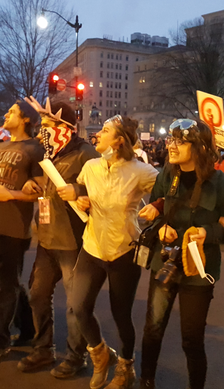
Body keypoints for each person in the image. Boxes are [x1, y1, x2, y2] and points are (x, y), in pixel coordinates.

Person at [137, 119, 224, 389]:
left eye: (180, 141)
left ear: (200, 147)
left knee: (191, 338)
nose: (171, 146)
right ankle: (146, 381)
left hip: (199, 268)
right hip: (165, 261)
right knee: (153, 328)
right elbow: (156, 211)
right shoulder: (165, 176)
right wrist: (160, 229)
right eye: (171, 140)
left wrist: (208, 231)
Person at [62, 115, 158, 389]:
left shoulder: (140, 171)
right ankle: (100, 354)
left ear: (119, 140)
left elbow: (166, 191)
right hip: (92, 246)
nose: (98, 133)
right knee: (79, 306)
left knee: (121, 314)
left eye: (105, 130)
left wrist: (158, 207)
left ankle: (125, 367)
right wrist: (78, 194)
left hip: (123, 251)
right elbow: (83, 188)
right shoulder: (91, 166)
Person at [18, 99, 99, 377]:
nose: (42, 130)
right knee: (38, 294)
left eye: (48, 124)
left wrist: (78, 190)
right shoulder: (50, 151)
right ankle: (43, 349)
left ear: (64, 126)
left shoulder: (86, 153)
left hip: (73, 240)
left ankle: (77, 357)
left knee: (76, 303)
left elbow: (100, 189)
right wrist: (35, 183)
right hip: (47, 236)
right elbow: (48, 182)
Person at [0, 101, 43, 364]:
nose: (6, 114)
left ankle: (0, 340)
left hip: (14, 227)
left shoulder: (35, 149)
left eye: (12, 112)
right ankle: (28, 329)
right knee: (10, 282)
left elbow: (41, 188)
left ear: (25, 119)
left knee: (5, 286)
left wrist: (13, 194)